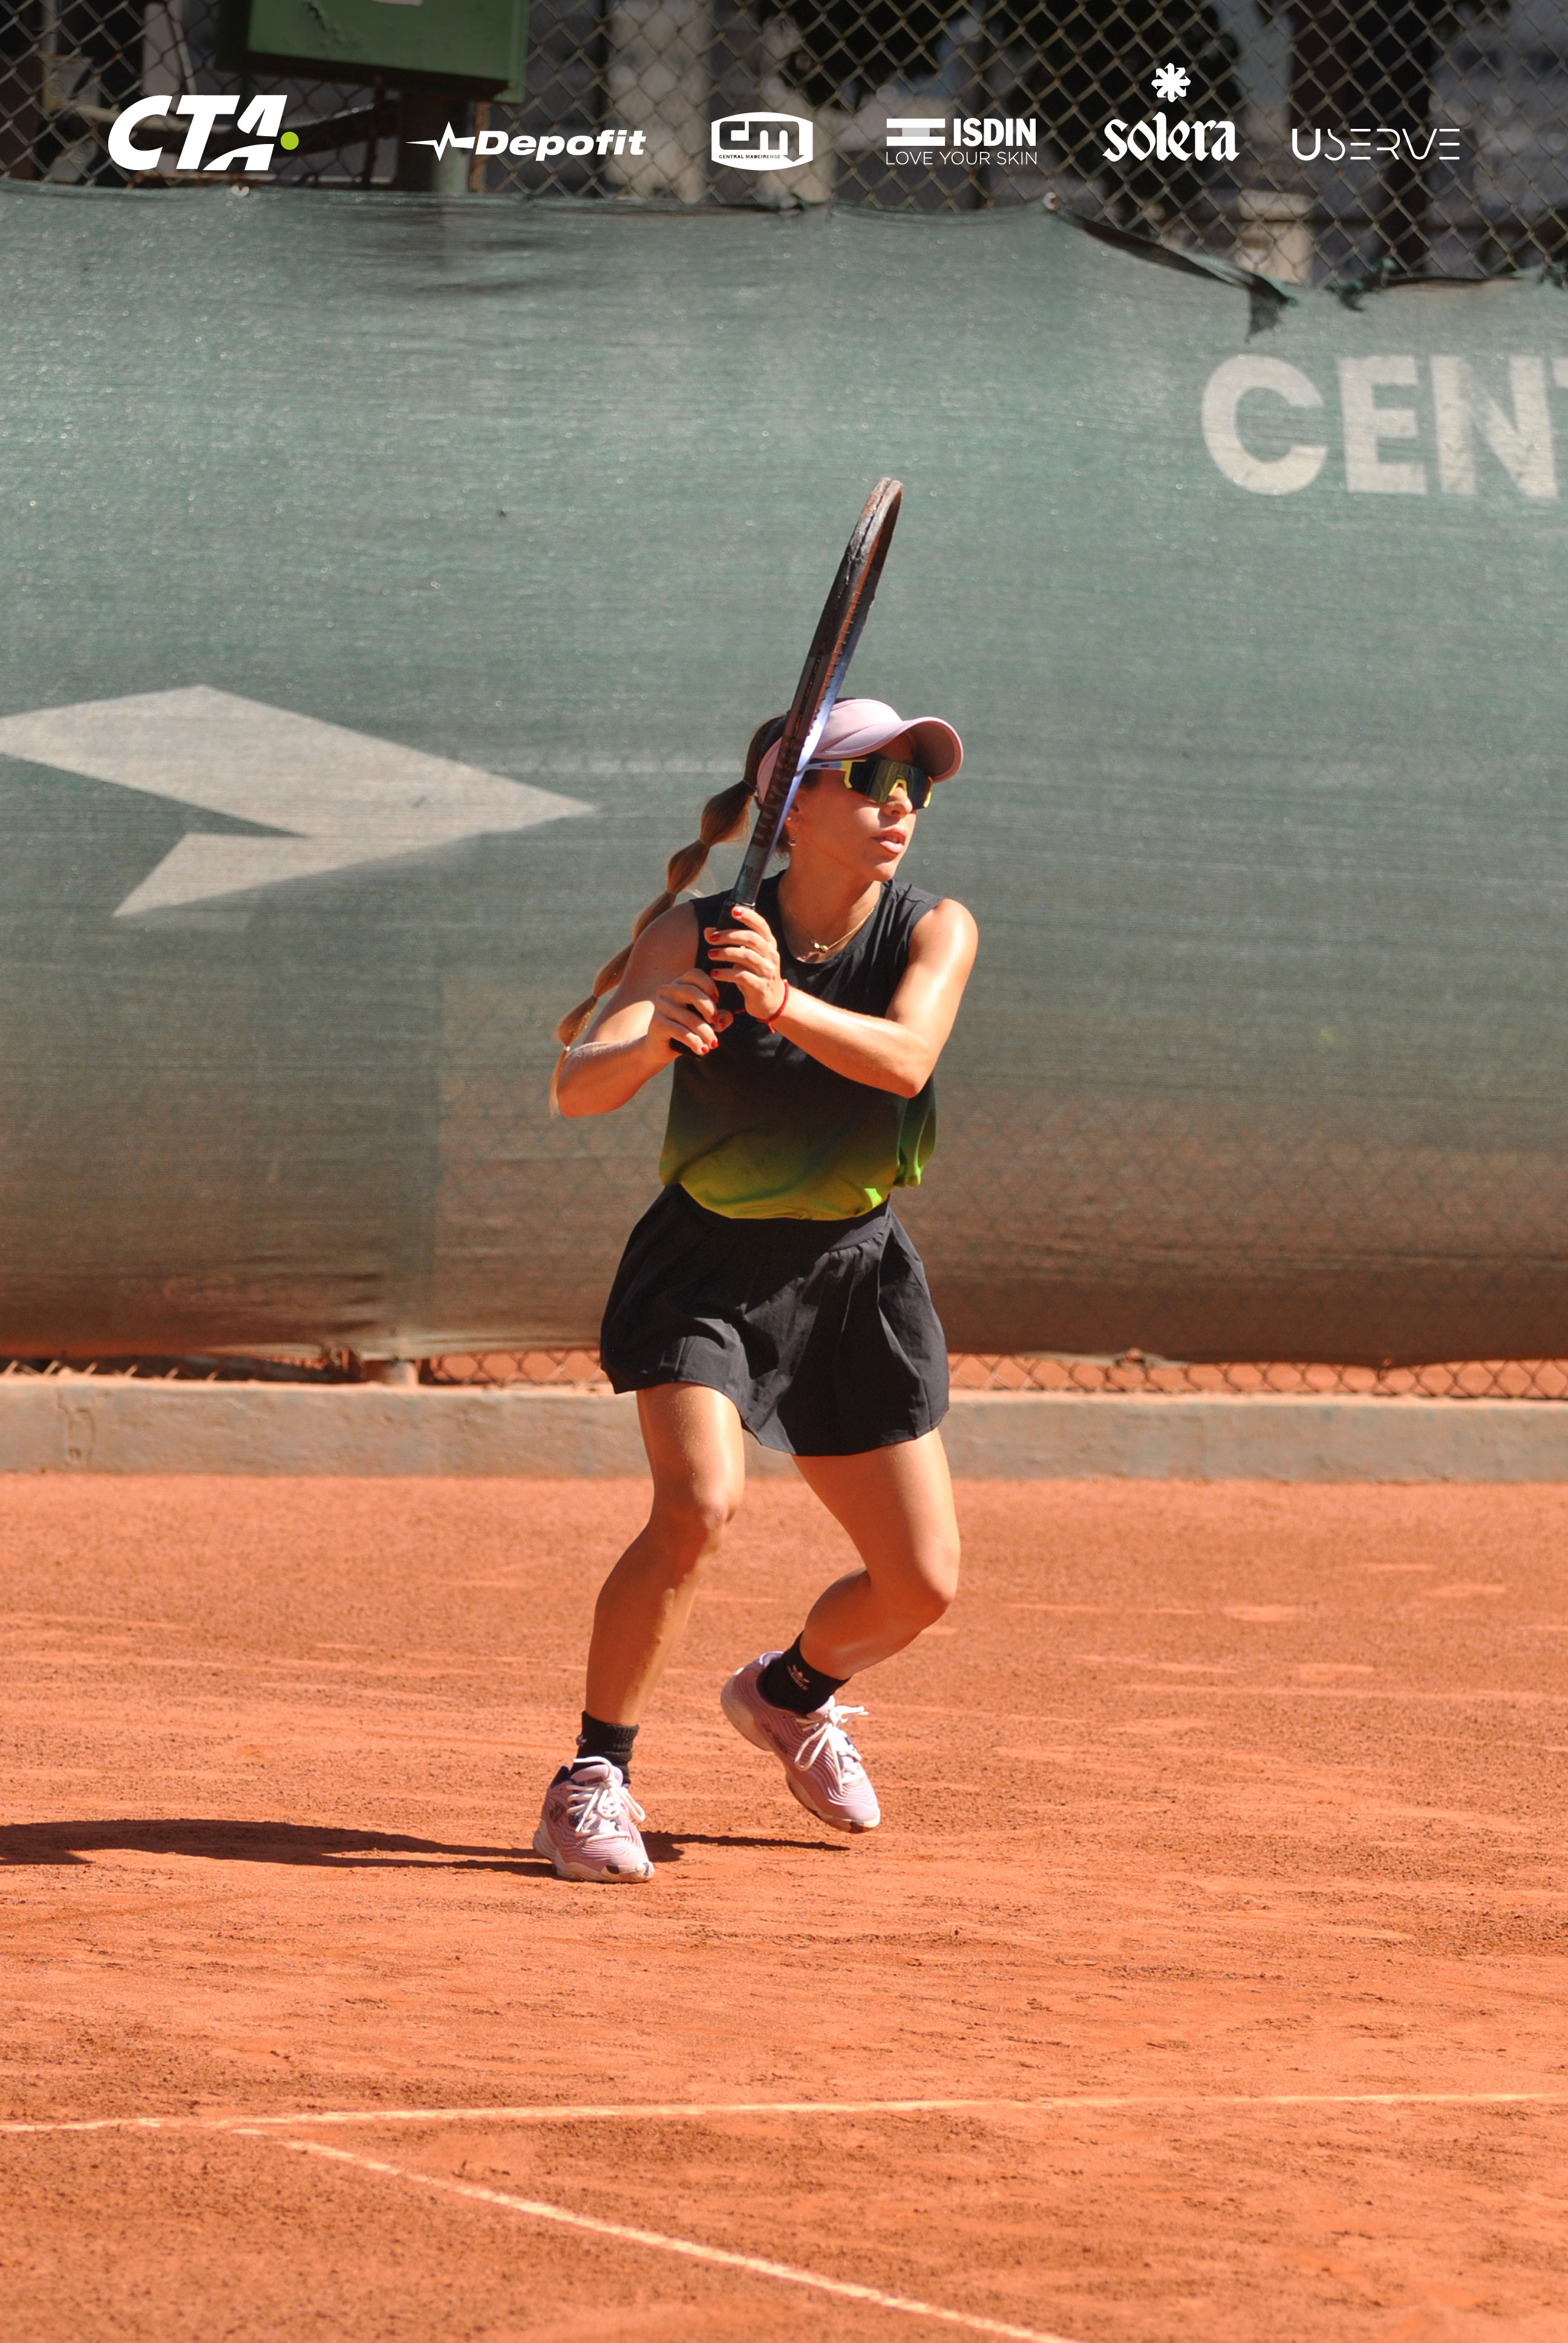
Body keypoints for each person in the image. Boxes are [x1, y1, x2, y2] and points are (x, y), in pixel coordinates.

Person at [534, 696, 978, 1883]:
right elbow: (576, 1087)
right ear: (795, 804)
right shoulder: (695, 932)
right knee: (697, 1505)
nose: (898, 805)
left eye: (913, 784)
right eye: (868, 778)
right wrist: (652, 1035)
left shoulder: (935, 929)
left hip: (851, 1274)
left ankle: (787, 1696)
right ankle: (594, 1776)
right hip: (706, 1268)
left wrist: (779, 1002)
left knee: (920, 1584)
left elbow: (905, 1058)